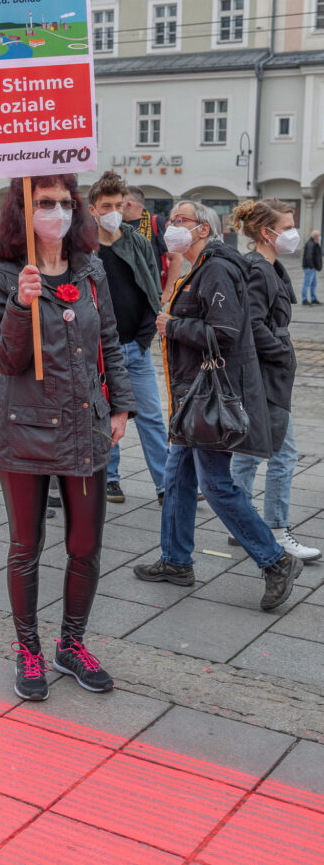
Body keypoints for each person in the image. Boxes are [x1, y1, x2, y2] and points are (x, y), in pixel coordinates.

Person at [0, 173, 136, 700]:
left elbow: (110, 341)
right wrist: (21, 306)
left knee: (86, 546)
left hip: (86, 428)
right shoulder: (5, 276)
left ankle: (71, 645)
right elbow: (4, 361)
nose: (55, 212)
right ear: (22, 213)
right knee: (26, 547)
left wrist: (122, 407)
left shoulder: (91, 271)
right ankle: (27, 650)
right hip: (24, 431)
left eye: (63, 202)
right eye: (43, 202)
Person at [133, 201, 303, 612]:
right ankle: (176, 561)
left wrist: (173, 326)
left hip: (210, 396)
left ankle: (275, 560)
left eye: (181, 221)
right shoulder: (197, 268)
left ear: (204, 230)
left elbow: (226, 331)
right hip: (192, 395)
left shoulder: (216, 268)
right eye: (170, 220)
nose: (171, 226)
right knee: (177, 477)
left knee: (214, 483)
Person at [230, 200, 320, 562]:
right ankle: (277, 529)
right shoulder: (258, 268)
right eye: (287, 226)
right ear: (266, 232)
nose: (293, 232)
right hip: (265, 378)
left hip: (265, 377)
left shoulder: (268, 265)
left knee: (249, 456)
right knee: (283, 454)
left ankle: (241, 523)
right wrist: (281, 354)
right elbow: (252, 325)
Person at [87, 171, 168, 505]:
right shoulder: (84, 247)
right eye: (107, 205)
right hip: (99, 351)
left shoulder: (136, 241)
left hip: (134, 347)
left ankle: (168, 485)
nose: (114, 211)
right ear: (93, 209)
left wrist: (143, 338)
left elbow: (151, 287)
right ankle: (111, 479)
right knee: (106, 416)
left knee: (151, 416)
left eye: (119, 205)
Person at [122, 186, 182, 306]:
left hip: (150, 295)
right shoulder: (118, 226)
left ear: (128, 204)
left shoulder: (155, 222)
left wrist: (166, 294)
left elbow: (176, 258)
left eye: (118, 203)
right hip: (123, 295)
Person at [301, 230, 322, 306]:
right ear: (316, 237)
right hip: (310, 268)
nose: (320, 237)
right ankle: (304, 299)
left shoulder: (315, 243)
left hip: (313, 268)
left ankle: (313, 299)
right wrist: (312, 266)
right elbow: (309, 256)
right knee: (307, 284)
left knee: (314, 283)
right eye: (319, 236)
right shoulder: (310, 244)